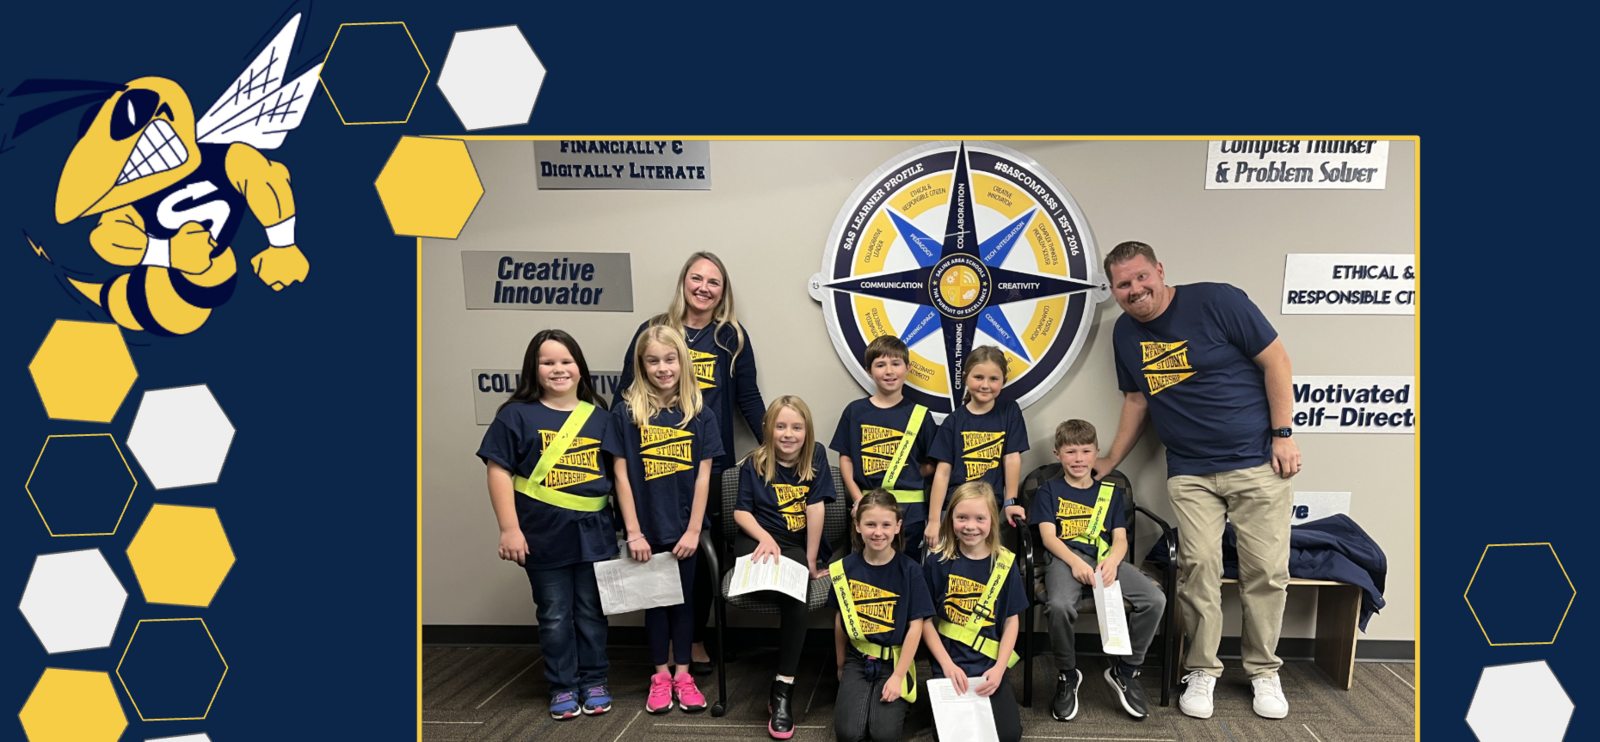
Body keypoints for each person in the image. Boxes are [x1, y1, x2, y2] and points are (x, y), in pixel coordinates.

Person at [1091, 240, 1301, 720]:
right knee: (1198, 568)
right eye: (1123, 284)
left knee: (1266, 572)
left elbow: (1277, 361)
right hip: (1189, 471)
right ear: (1114, 290)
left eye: (1141, 277)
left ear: (1160, 271)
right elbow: (1137, 400)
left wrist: (1283, 434)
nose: (1134, 289)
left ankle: (1263, 671)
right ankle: (1202, 669)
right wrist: (1111, 459)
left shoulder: (1216, 300)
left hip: (1256, 462)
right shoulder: (1125, 333)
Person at [618, 251, 765, 674]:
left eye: (713, 281)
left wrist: (772, 446)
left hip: (707, 467)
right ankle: (663, 651)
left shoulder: (731, 338)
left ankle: (695, 639)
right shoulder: (654, 330)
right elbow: (626, 391)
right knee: (656, 555)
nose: (704, 287)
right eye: (696, 278)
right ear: (683, 282)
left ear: (723, 291)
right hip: (654, 468)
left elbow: (748, 397)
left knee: (699, 557)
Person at [477, 329, 625, 720]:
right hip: (541, 535)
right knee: (555, 614)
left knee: (592, 612)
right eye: (548, 362)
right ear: (534, 368)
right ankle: (562, 685)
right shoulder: (515, 415)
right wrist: (509, 529)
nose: (558, 369)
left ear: (580, 367)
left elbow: (620, 477)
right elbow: (498, 470)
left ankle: (594, 680)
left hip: (594, 534)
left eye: (565, 361)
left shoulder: (601, 417)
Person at [612, 325, 722, 713]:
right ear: (641, 365)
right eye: (653, 360)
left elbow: (704, 477)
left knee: (684, 603)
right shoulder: (626, 413)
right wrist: (633, 532)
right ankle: (660, 677)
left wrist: (694, 530)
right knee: (655, 604)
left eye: (670, 359)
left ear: (683, 361)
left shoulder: (700, 414)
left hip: (685, 530)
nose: (663, 368)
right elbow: (621, 476)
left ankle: (683, 676)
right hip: (646, 530)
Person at [1032, 420, 1166, 721]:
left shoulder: (1110, 493)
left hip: (1104, 560)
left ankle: (1126, 670)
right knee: (1060, 606)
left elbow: (1120, 539)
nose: (1078, 459)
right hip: (1064, 559)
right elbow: (1048, 537)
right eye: (1070, 452)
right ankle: (1068, 674)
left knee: (1155, 600)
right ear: (1057, 454)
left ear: (1096, 453)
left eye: (1085, 451)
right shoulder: (1049, 490)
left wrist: (1114, 561)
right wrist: (1075, 562)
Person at [733, 396, 834, 739]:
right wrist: (764, 538)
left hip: (794, 544)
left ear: (807, 431)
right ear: (768, 429)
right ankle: (781, 687)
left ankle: (783, 687)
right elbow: (741, 511)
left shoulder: (816, 455)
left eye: (796, 427)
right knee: (772, 586)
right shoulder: (754, 463)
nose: (788, 434)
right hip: (756, 537)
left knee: (796, 593)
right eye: (780, 426)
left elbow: (816, 508)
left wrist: (810, 560)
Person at [922, 482, 1024, 742]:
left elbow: (1011, 621)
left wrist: (1000, 668)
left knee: (1009, 736)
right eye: (962, 518)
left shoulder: (1005, 563)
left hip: (989, 665)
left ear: (992, 520)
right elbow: (924, 621)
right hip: (949, 664)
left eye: (980, 518)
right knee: (949, 737)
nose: (970, 526)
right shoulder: (937, 562)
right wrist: (946, 665)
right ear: (950, 519)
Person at [831, 489, 933, 742]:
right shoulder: (843, 569)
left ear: (898, 527)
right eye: (870, 524)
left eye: (886, 525)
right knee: (848, 734)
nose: (878, 532)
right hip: (857, 657)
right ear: (857, 526)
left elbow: (916, 627)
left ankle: (901, 701)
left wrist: (898, 676)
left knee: (884, 735)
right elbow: (840, 622)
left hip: (894, 659)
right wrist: (841, 664)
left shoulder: (911, 571)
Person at [831, 335, 937, 560]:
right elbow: (846, 458)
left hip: (911, 514)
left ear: (908, 368)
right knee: (867, 571)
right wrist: (858, 499)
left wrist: (912, 474)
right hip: (867, 510)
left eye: (896, 363)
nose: (889, 371)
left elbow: (933, 465)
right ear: (869, 371)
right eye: (880, 365)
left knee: (908, 571)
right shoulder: (855, 412)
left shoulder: (921, 415)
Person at [926, 345, 1029, 551]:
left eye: (993, 379)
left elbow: (1011, 459)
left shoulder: (1009, 411)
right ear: (966, 377)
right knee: (945, 560)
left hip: (989, 509)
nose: (985, 385)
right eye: (979, 377)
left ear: (1003, 380)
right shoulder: (954, 421)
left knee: (982, 562)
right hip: (955, 508)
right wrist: (934, 520)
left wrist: (1010, 502)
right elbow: (943, 473)